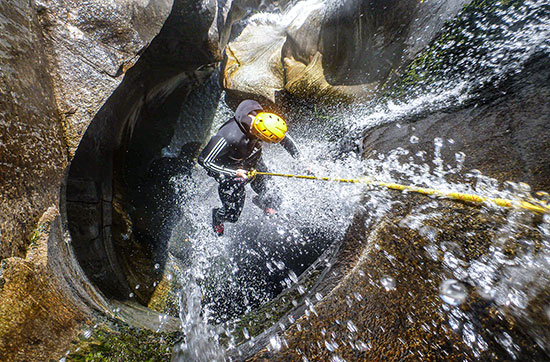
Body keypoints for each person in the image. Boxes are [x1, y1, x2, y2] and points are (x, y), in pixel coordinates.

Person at [198, 100, 300, 236]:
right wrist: (235, 172)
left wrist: (301, 160)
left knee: (274, 197)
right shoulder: (229, 136)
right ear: (257, 132)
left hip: (253, 162)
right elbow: (204, 160)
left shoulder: (262, 120)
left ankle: (264, 203)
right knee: (232, 215)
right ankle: (217, 216)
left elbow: (283, 138)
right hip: (231, 174)